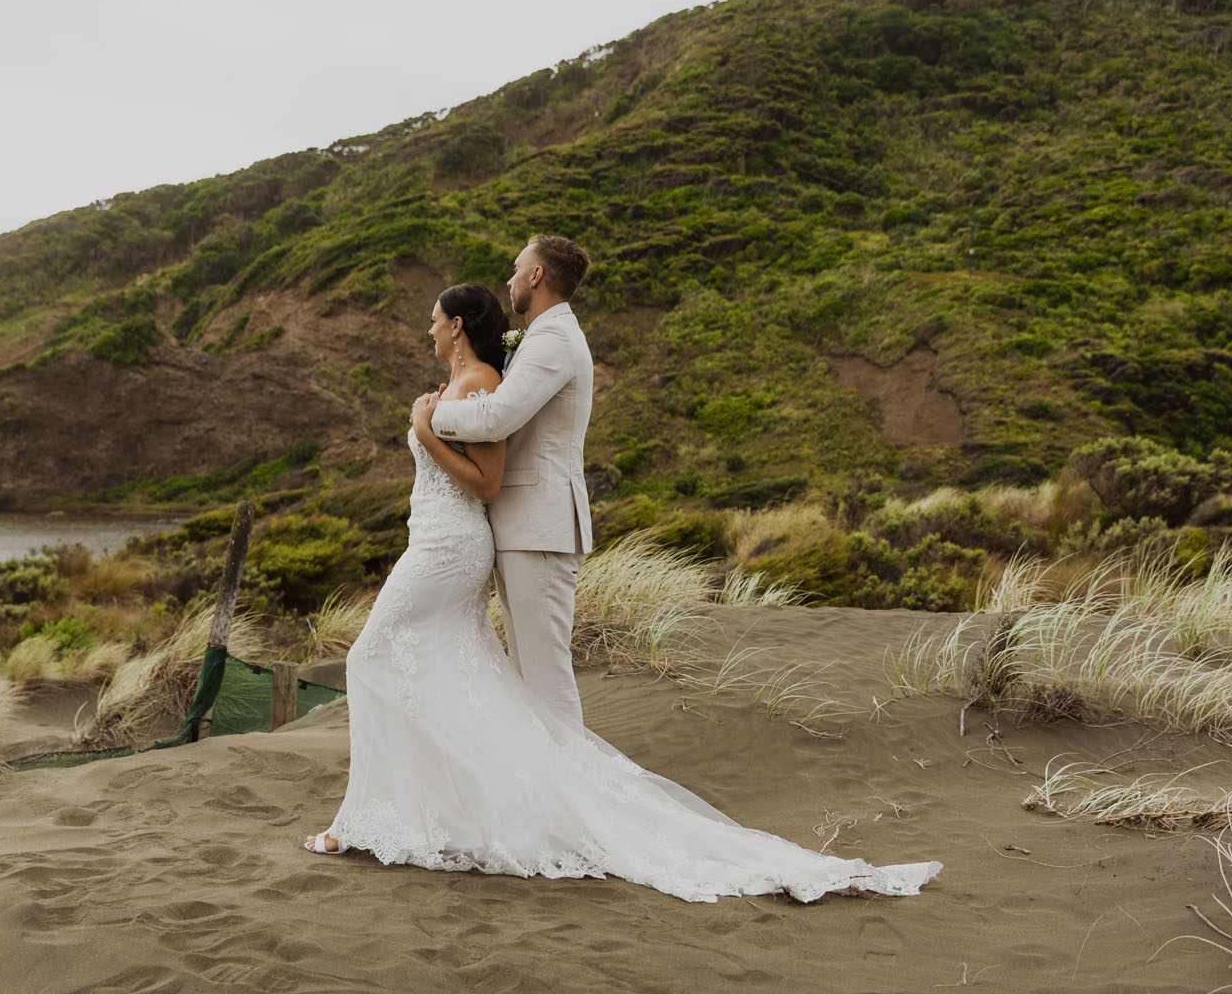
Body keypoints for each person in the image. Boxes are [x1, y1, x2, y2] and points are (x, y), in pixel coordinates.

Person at [301, 276, 942, 904]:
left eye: (435, 318)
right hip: (448, 541)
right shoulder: (470, 382)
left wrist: (425, 425)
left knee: (380, 658)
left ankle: (524, 816)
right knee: (465, 675)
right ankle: (436, 813)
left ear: (459, 324)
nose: (429, 328)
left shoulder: (499, 375)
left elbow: (488, 474)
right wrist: (434, 415)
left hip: (456, 545)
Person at [423, 234, 595, 724]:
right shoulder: (544, 336)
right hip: (525, 527)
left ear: (537, 276)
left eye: (517, 268)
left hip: (541, 527)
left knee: (547, 683)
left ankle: (574, 798)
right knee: (528, 679)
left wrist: (431, 421)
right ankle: (549, 794)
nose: (510, 279)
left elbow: (497, 417)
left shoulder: (555, 339)